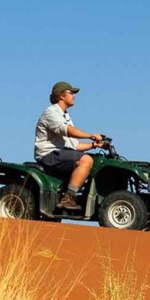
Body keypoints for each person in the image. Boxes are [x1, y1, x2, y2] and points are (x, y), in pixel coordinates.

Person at [34, 82, 106, 210]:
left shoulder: (65, 115)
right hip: (49, 155)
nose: (74, 96)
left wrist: (94, 145)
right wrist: (91, 135)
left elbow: (74, 145)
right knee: (86, 160)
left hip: (61, 153)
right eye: (71, 93)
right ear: (61, 96)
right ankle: (69, 198)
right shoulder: (51, 112)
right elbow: (67, 130)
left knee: (92, 161)